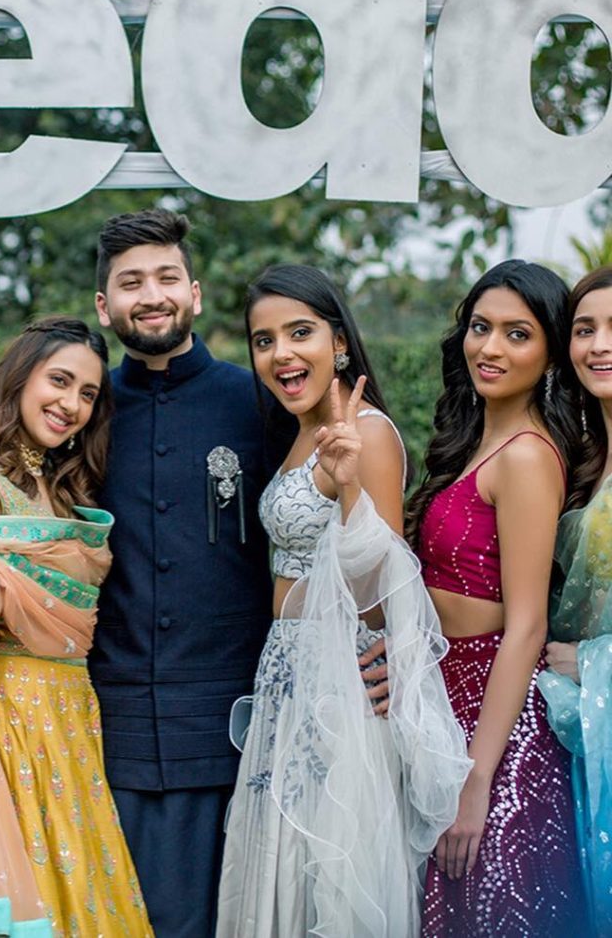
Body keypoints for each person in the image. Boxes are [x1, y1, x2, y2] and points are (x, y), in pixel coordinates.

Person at [216, 264, 469, 937]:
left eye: (300, 332)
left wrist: (350, 483)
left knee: (328, 868)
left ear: (340, 344)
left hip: (339, 685)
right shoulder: (298, 431)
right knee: (279, 866)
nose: (281, 353)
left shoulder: (370, 433)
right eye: (263, 340)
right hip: (285, 677)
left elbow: (377, 594)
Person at [90, 209, 291, 938]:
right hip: (111, 723)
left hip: (237, 718)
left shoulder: (259, 401)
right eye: (131, 282)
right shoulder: (83, 410)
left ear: (195, 293)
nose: (152, 295)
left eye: (166, 278)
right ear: (104, 305)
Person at [0, 316, 152, 938]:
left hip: (71, 714)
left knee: (83, 892)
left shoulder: (61, 483)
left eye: (88, 394)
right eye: (60, 381)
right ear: (20, 377)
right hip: (7, 721)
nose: (71, 404)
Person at [407, 259, 584, 937]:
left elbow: (527, 626)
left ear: (549, 354)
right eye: (482, 328)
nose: (490, 348)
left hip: (496, 723)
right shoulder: (476, 443)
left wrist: (477, 781)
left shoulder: (527, 457)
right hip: (448, 703)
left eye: (518, 334)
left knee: (492, 904)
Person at [541, 265, 612, 936]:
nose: (598, 344)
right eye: (585, 329)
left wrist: (596, 663)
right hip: (579, 732)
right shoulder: (584, 457)